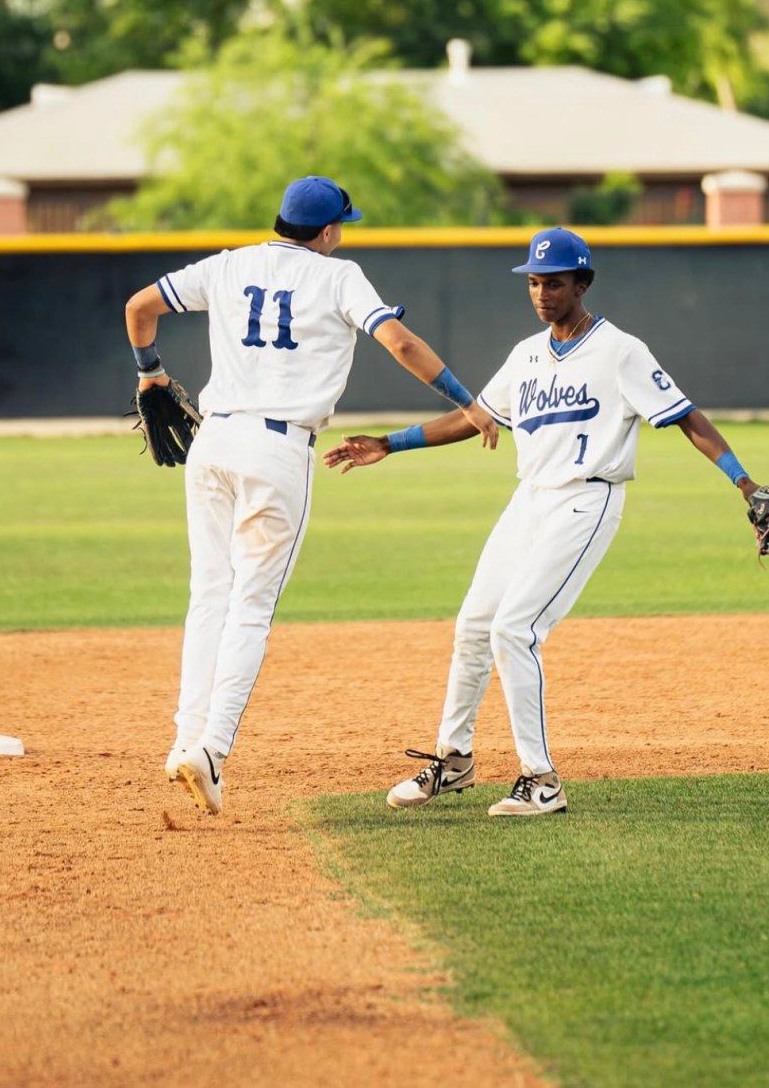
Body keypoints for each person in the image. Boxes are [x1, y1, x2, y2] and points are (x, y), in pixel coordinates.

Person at [325, 226, 769, 818]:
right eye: (534, 282)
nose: (541, 293)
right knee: (473, 625)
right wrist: (390, 443)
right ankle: (454, 759)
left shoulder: (621, 350)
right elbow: (477, 418)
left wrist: (745, 483)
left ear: (582, 283)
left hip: (586, 501)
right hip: (530, 500)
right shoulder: (527, 354)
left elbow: (687, 416)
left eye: (554, 282)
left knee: (514, 630)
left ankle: (542, 780)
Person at [125, 175, 498, 816]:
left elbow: (139, 308)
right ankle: (210, 749)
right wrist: (470, 403)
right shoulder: (340, 276)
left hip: (213, 443)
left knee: (208, 594)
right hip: (277, 450)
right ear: (327, 230)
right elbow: (401, 343)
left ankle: (185, 737)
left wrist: (151, 372)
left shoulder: (230, 264)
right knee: (251, 606)